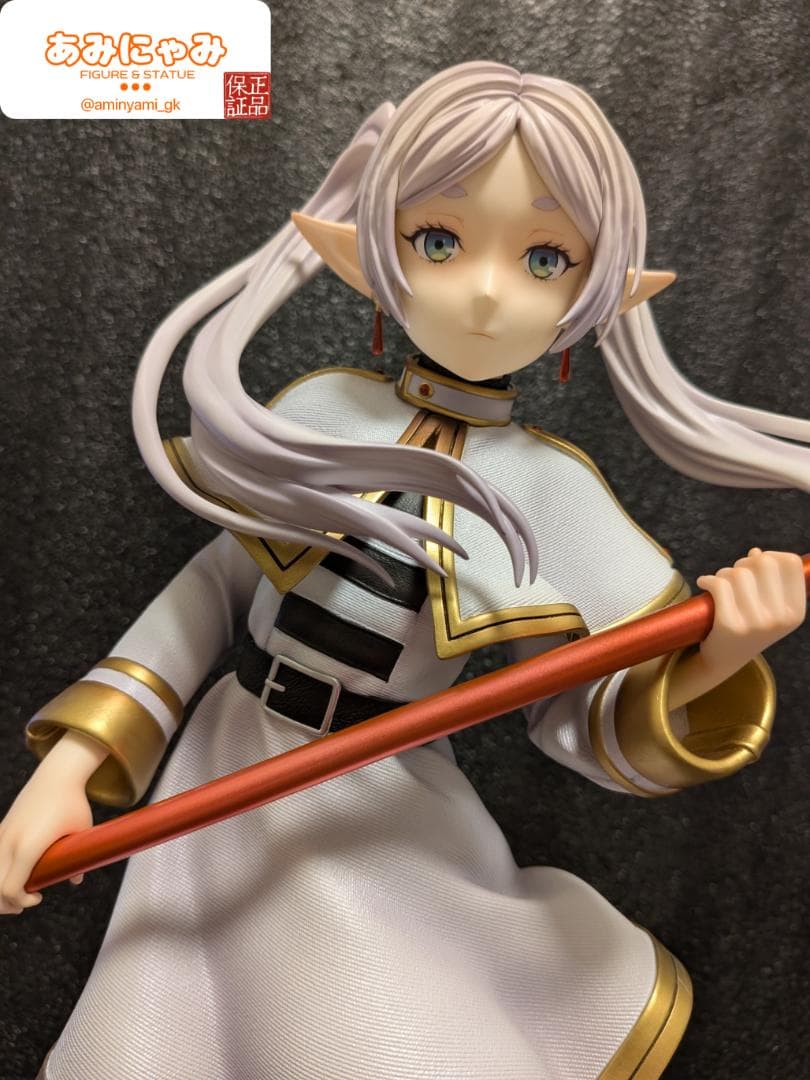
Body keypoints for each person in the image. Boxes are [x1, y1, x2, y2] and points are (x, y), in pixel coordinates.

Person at [1, 62, 807, 1080]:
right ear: (380, 246)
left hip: (377, 804)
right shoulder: (317, 413)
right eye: (440, 240)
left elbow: (575, 711)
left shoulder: (554, 494)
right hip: (227, 770)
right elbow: (207, 595)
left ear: (593, 288)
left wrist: (718, 653)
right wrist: (70, 768)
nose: (486, 291)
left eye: (545, 257)